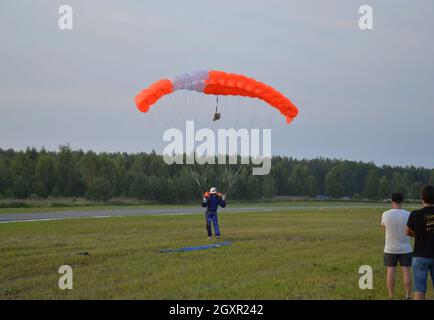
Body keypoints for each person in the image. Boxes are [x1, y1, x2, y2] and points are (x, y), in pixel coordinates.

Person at [381, 193, 412, 299]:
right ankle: (407, 295)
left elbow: (384, 228)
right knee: (406, 271)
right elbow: (410, 231)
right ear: (402, 201)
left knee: (390, 272)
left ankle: (391, 296)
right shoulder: (408, 214)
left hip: (390, 248)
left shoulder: (385, 214)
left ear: (392, 201)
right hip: (406, 248)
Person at [406, 185, 434, 300]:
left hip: (419, 256)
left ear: (421, 198)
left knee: (419, 290)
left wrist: (418, 235)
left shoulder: (414, 214)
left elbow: (407, 232)